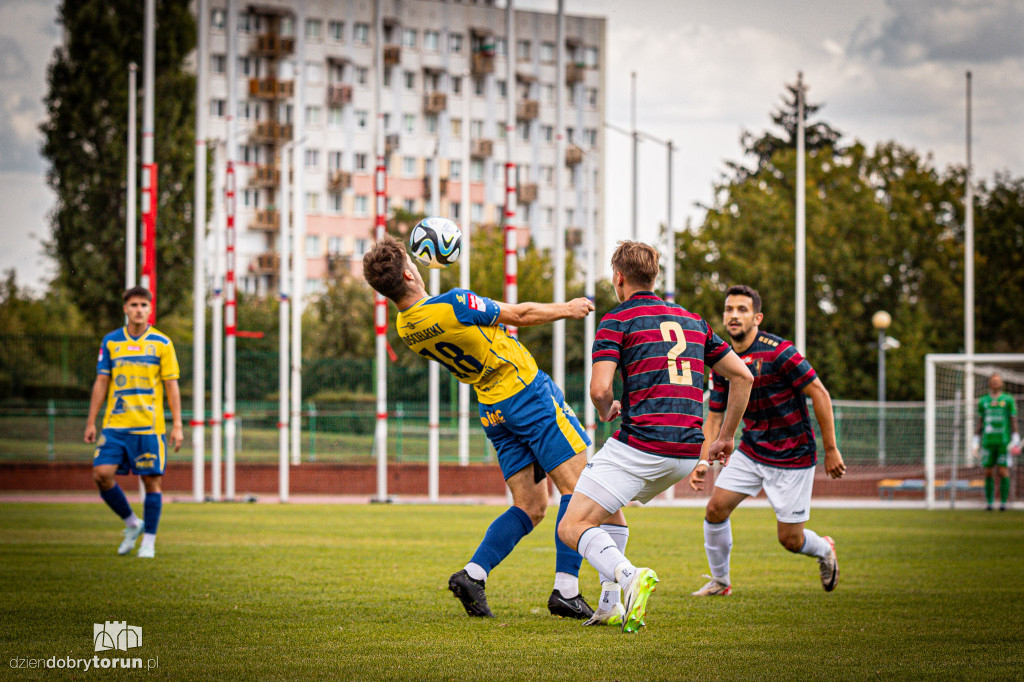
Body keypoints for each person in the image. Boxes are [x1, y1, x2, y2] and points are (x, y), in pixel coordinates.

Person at [361, 234, 624, 620]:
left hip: (493, 408)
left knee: (531, 506)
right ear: (408, 273)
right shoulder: (453, 304)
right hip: (526, 394)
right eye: (411, 263)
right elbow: (519, 315)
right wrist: (567, 308)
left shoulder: (405, 327)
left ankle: (473, 574)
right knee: (578, 488)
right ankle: (566, 590)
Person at [557, 241, 753, 633]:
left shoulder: (617, 319)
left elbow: (599, 389)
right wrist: (725, 438)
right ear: (655, 275)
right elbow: (743, 376)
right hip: (685, 450)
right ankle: (610, 604)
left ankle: (629, 576)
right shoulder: (693, 320)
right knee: (607, 508)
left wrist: (605, 408)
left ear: (619, 277)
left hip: (643, 442)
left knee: (571, 526)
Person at [690, 284, 845, 597]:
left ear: (757, 317)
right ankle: (720, 582)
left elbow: (819, 393)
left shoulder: (780, 352)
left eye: (742, 310)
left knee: (790, 540)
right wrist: (704, 460)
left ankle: (824, 548)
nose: (734, 316)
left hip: (793, 456)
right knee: (715, 510)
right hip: (751, 450)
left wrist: (830, 449)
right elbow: (715, 416)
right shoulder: (722, 360)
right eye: (729, 309)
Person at [84, 287, 183, 558]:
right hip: (115, 425)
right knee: (101, 474)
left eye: (143, 305)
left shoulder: (162, 343)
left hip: (148, 427)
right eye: (133, 305)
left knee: (151, 481)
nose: (138, 309)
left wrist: (177, 425)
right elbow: (102, 381)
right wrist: (91, 421)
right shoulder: (112, 342)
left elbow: (171, 385)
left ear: (150, 309)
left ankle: (149, 540)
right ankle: (132, 523)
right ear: (125, 308)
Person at [974, 373, 1019, 511]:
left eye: (997, 381)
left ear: (1001, 383)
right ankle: (989, 502)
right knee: (988, 472)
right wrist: (974, 442)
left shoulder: (1008, 400)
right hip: (988, 442)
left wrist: (1015, 439)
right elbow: (980, 423)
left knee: (1003, 470)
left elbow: (1013, 420)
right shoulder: (983, 401)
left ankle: (1003, 503)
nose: (995, 383)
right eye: (992, 381)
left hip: (1003, 442)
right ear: (989, 383)